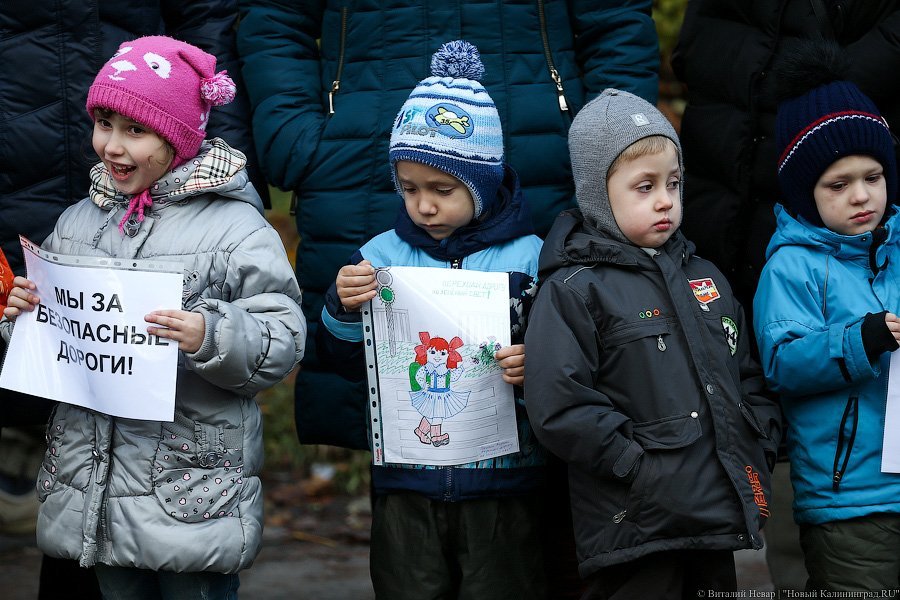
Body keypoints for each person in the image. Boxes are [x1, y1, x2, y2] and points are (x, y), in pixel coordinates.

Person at [1, 35, 306, 598]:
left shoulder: (234, 229)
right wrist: (21, 315)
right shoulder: (77, 221)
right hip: (94, 494)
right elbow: (53, 335)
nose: (112, 146)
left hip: (189, 489)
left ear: (178, 137)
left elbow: (282, 333)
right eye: (104, 124)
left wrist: (210, 335)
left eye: (135, 131)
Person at [523, 88, 782, 599]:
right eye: (644, 187)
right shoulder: (574, 289)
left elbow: (744, 373)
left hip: (712, 518)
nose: (665, 199)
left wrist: (761, 441)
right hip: (634, 528)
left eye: (673, 182)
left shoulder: (706, 279)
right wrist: (633, 466)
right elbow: (559, 401)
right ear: (600, 195)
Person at [317, 41, 547, 599]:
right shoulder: (379, 255)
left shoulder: (532, 258)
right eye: (410, 188)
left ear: (484, 184)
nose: (423, 206)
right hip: (405, 481)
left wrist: (533, 363)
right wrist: (342, 307)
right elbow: (342, 361)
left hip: (503, 479)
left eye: (443, 190)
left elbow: (567, 358)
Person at [753, 40, 900, 592]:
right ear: (805, 192)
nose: (862, 196)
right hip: (849, 497)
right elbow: (782, 361)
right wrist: (861, 339)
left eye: (874, 176)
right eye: (838, 185)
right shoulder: (792, 267)